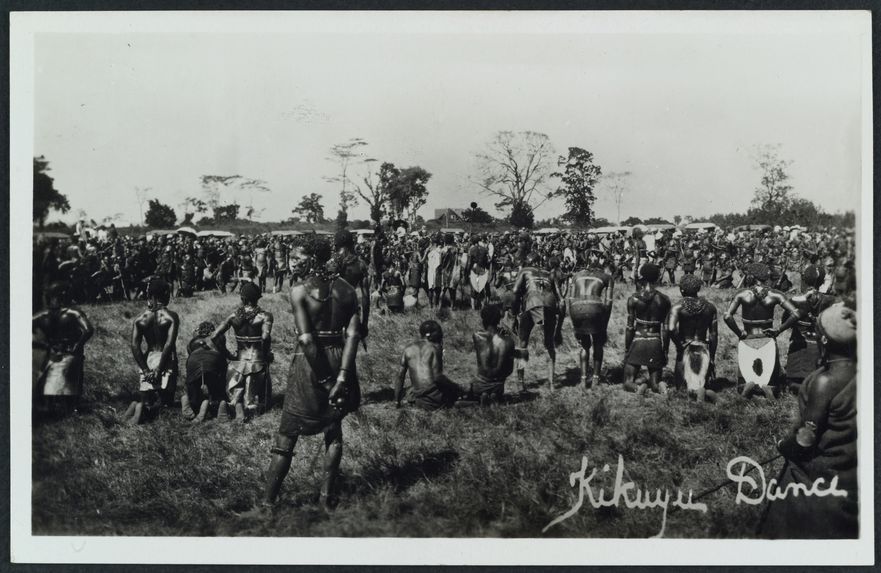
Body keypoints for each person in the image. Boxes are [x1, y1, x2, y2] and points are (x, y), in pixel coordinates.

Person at [260, 237, 362, 510]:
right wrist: (342, 377)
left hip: (310, 363)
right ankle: (326, 498)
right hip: (341, 358)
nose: (293, 262)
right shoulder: (349, 289)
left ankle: (267, 503)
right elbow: (353, 334)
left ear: (312, 259)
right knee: (334, 429)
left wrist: (328, 381)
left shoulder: (299, 290)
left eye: (297, 257)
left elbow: (306, 340)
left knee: (287, 435)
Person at [760, 301, 857, 538]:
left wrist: (783, 445)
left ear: (824, 341)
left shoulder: (827, 381)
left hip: (817, 481)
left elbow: (805, 440)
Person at [723, 263, 800, 399]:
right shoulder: (775, 294)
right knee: (772, 380)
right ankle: (767, 387)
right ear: (766, 277)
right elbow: (796, 313)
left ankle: (749, 386)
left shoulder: (742, 294)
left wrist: (739, 333)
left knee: (743, 381)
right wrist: (778, 330)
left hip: (748, 338)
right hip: (768, 338)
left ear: (751, 276)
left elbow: (727, 316)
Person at [211, 282, 274, 422]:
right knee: (257, 402)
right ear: (258, 298)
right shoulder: (265, 316)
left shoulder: (233, 316)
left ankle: (233, 405)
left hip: (237, 361)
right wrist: (266, 354)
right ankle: (246, 408)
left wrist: (227, 355)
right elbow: (265, 336)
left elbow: (214, 336)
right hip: (257, 362)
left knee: (236, 390)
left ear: (242, 298)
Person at [32, 282, 94, 414]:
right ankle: (71, 409)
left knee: (50, 386)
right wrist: (78, 346)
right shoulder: (72, 313)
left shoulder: (43, 316)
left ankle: (55, 409)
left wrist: (44, 345)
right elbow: (88, 330)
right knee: (70, 386)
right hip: (70, 352)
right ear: (62, 295)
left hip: (52, 353)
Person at [125, 279, 180, 425]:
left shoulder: (140, 319)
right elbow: (169, 344)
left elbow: (135, 346)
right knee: (166, 403)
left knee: (147, 397)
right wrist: (159, 370)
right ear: (165, 293)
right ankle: (145, 411)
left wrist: (145, 369)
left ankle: (139, 407)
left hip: (148, 358)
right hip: (165, 359)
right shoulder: (171, 316)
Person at [511, 250, 562, 392]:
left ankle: (520, 382)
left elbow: (515, 291)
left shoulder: (525, 270)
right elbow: (557, 295)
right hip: (549, 304)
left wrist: (513, 314)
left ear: (527, 262)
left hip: (532, 303)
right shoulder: (547, 272)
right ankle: (551, 384)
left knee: (522, 343)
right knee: (549, 344)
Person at [784, 266, 836, 393]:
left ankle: (801, 386)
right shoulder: (831, 301)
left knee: (792, 383)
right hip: (820, 350)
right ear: (823, 281)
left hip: (798, 349)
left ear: (805, 280)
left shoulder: (793, 301)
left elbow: (785, 322)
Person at [667, 275, 718, 402]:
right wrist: (712, 356)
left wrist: (679, 345)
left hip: (685, 348)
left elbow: (671, 329)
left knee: (681, 389)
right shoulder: (710, 307)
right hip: (703, 349)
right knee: (701, 383)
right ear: (698, 288)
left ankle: (695, 395)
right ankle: (704, 393)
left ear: (682, 290)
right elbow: (713, 335)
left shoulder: (677, 307)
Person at [622, 263, 671, 395]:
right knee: (655, 383)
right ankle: (661, 387)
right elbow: (666, 330)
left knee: (628, 382)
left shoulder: (633, 299)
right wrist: (665, 350)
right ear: (656, 278)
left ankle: (638, 388)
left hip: (638, 341)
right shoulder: (664, 300)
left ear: (642, 277)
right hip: (655, 342)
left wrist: (627, 349)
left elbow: (630, 327)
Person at [567, 259, 614, 388]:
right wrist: (604, 324)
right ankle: (595, 379)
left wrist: (574, 322)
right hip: (595, 309)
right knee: (598, 344)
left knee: (584, 346)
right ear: (600, 268)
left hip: (577, 309)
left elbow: (570, 301)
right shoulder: (607, 277)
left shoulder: (576, 276)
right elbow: (608, 302)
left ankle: (582, 380)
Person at [395, 320, 462, 410]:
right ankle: (472, 402)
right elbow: (437, 377)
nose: (440, 337)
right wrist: (456, 387)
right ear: (429, 334)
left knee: (411, 390)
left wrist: (397, 401)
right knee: (457, 394)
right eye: (438, 333)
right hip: (434, 400)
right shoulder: (435, 348)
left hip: (419, 399)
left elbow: (400, 376)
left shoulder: (408, 349)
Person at [183, 321, 233, 422]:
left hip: (193, 361)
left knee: (193, 386)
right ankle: (220, 402)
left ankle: (189, 401)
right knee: (217, 385)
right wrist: (234, 357)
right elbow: (224, 353)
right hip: (213, 360)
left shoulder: (193, 340)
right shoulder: (218, 337)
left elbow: (190, 356)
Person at [469, 304, 516, 404]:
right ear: (499, 320)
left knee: (470, 392)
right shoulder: (508, 341)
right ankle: (495, 395)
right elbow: (509, 370)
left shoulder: (477, 336)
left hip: (480, 383)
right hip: (498, 384)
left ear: (483, 320)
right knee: (496, 390)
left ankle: (482, 395)